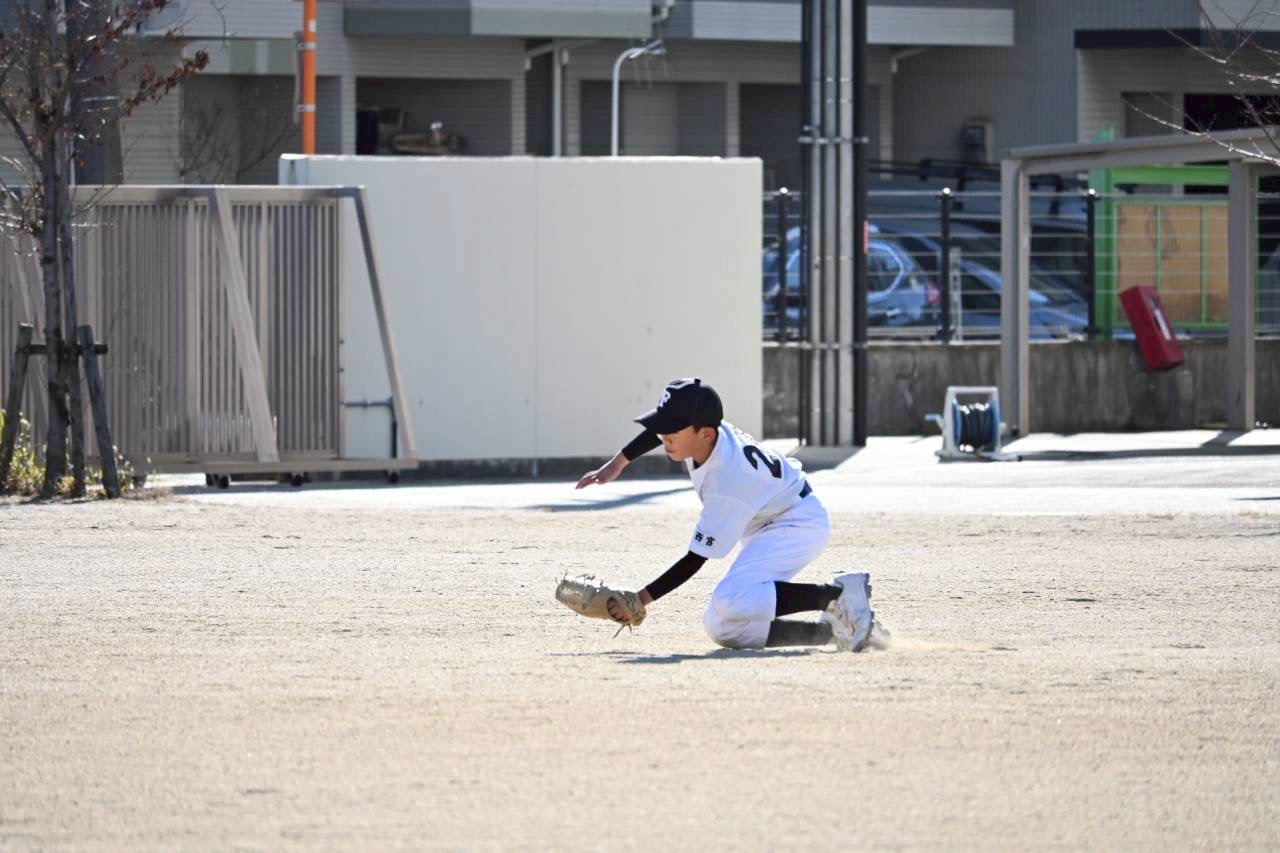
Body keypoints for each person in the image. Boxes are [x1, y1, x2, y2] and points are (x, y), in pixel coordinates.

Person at [576, 377, 881, 652]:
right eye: (663, 426)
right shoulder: (706, 435)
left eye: (672, 430)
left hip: (797, 523)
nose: (664, 435)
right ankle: (830, 632)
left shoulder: (726, 480)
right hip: (771, 519)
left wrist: (639, 599)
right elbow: (661, 433)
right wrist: (618, 463)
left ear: (706, 434)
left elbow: (695, 559)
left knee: (731, 598)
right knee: (722, 625)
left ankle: (836, 596)